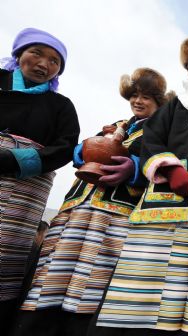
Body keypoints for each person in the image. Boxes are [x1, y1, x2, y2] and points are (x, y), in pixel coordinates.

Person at [90, 36, 188, 336]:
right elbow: (152, 137)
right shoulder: (176, 105)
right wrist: (172, 169)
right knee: (147, 288)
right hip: (165, 205)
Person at [10, 67, 171, 336]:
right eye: (134, 95)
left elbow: (165, 169)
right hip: (76, 212)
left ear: (158, 101)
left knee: (91, 285)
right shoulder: (116, 125)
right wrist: (82, 152)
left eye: (146, 97)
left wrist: (135, 169)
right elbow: (80, 150)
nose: (138, 101)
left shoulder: (163, 133)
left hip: (114, 219)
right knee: (51, 278)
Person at [0, 27, 80, 333]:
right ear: (19, 53)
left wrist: (14, 159)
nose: (44, 64)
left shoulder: (61, 106)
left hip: (23, 190)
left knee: (6, 257)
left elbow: (65, 146)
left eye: (54, 61)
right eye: (37, 53)